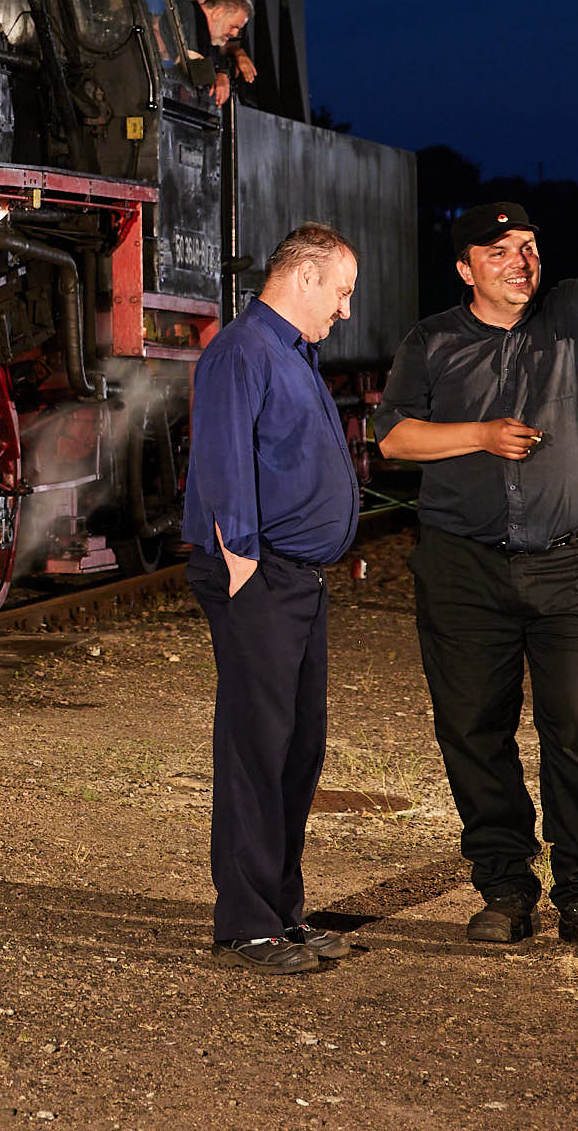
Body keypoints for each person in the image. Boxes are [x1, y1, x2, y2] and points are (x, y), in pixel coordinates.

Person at [376, 169, 578, 950]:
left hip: (568, 566)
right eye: (499, 249)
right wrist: (478, 434)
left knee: (574, 728)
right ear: (466, 267)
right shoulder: (432, 340)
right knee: (475, 731)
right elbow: (395, 437)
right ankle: (505, 888)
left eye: (529, 245)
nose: (520, 258)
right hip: (464, 569)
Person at [184, 223, 364, 974]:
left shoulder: (293, 353)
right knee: (258, 748)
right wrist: (243, 571)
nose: (346, 310)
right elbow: (224, 465)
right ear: (307, 275)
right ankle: (247, 923)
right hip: (262, 579)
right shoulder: (243, 350)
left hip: (299, 581)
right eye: (344, 292)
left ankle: (283, 911)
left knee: (297, 747)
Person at [181, 0, 260, 106]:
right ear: (218, 12)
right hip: (142, 106)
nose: (234, 34)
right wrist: (215, 76)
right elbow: (196, 74)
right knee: (137, 125)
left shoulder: (205, 34)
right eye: (233, 26)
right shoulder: (189, 19)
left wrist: (221, 72)